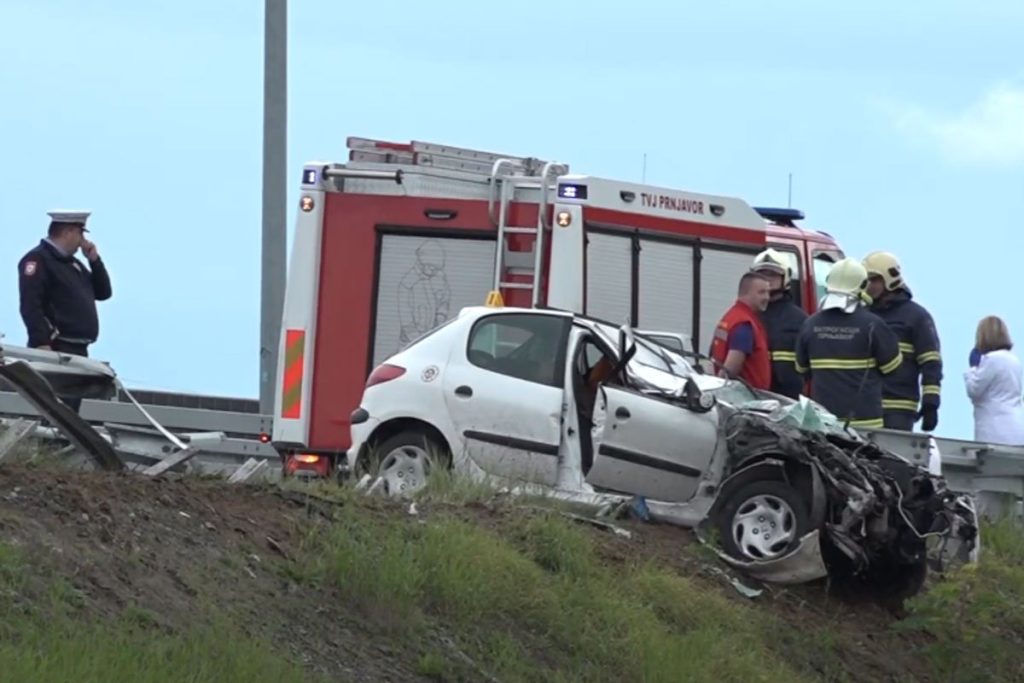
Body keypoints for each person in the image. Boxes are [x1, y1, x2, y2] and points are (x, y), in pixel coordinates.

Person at [17, 210, 112, 412]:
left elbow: (103, 292)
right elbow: (31, 305)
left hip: (78, 348)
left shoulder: (74, 265)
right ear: (69, 232)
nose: (82, 241)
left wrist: (94, 261)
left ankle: (61, 443)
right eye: (80, 234)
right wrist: (42, 342)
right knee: (54, 408)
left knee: (70, 410)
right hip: (56, 347)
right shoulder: (38, 260)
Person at [795, 258, 902, 429]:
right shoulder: (874, 325)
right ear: (862, 285)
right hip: (866, 423)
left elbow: (801, 369)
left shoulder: (810, 324)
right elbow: (892, 368)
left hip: (823, 423)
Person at [862, 251, 943, 432]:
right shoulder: (863, 315)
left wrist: (931, 402)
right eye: (866, 281)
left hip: (899, 406)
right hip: (865, 405)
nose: (869, 286)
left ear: (890, 280)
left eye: (874, 280)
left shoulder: (917, 317)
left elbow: (930, 362)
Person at [751, 248, 808, 399]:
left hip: (788, 402)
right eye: (761, 274)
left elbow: (809, 368)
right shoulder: (746, 316)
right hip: (751, 399)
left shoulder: (800, 319)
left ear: (786, 277)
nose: (767, 280)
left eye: (773, 275)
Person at [964, 316, 1024, 445]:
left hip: (994, 429)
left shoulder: (991, 360)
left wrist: (973, 369)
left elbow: (974, 390)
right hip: (1017, 426)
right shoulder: (1014, 360)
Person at [708, 271, 772, 390]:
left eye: (768, 292)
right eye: (761, 292)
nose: (767, 297)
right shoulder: (743, 324)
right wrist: (718, 390)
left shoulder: (731, 317)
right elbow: (730, 369)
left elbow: (712, 358)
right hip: (746, 398)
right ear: (745, 293)